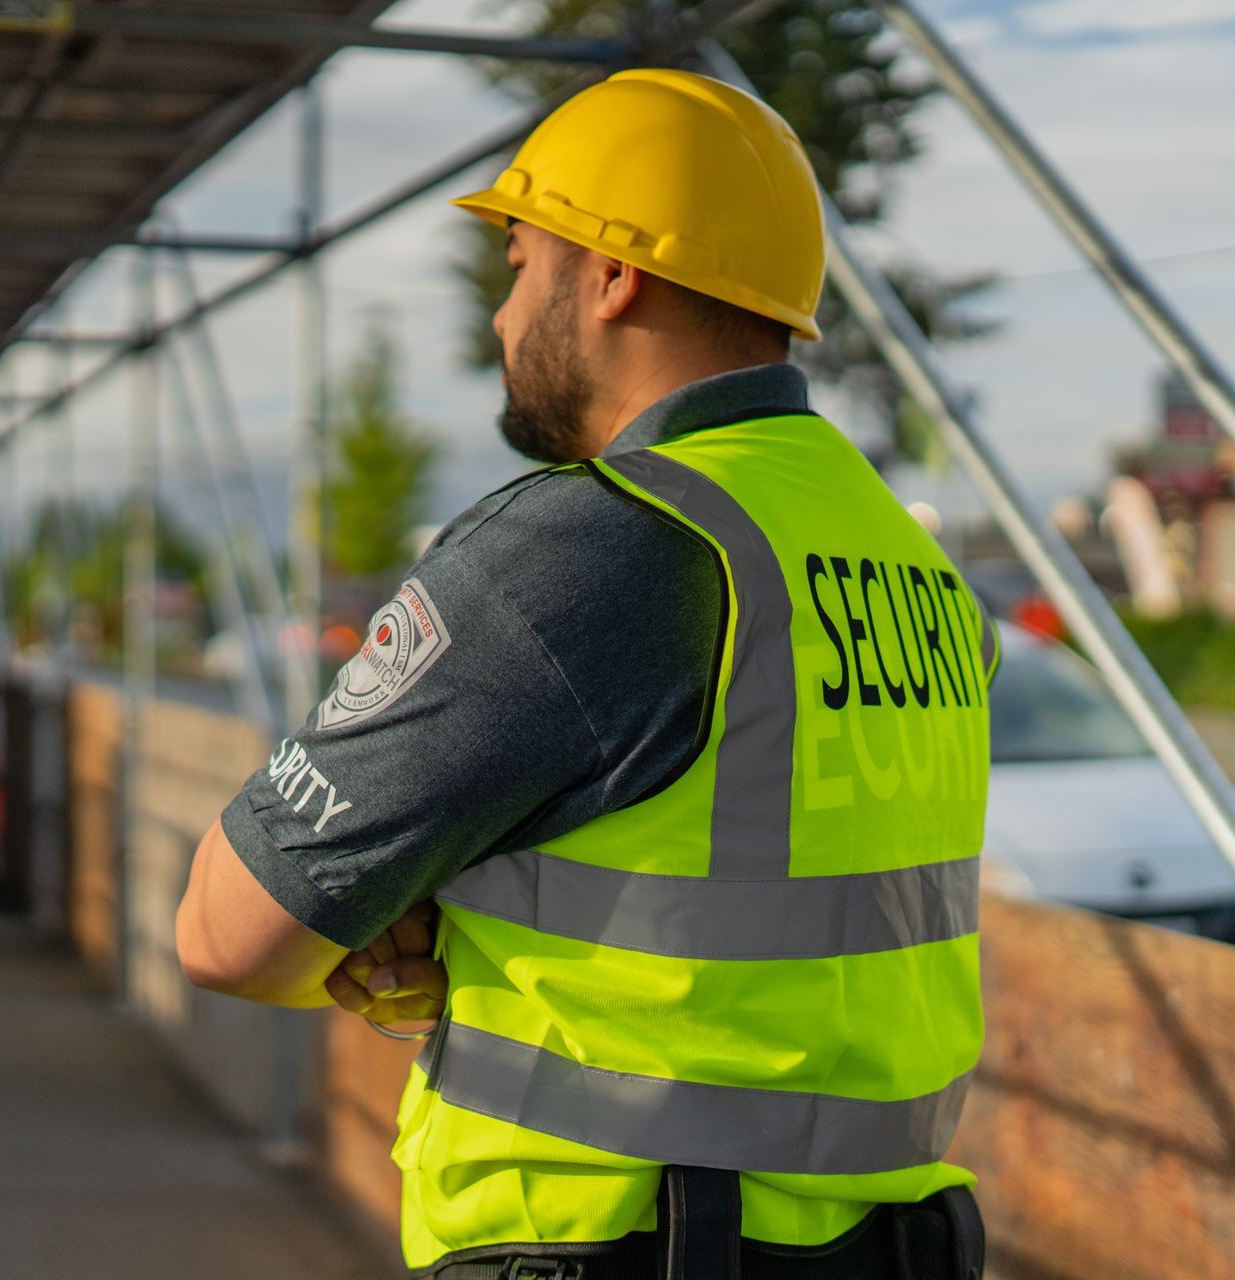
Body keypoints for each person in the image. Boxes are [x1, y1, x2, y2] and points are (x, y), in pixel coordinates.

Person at [176, 67, 996, 1280]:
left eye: (517, 262)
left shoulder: (591, 548)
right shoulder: (909, 562)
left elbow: (227, 929)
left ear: (613, 274)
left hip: (625, 1246)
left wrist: (377, 927)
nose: (501, 319)